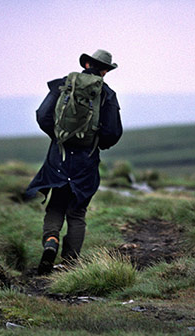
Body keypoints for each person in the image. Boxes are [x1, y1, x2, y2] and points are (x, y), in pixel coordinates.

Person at [25, 49, 123, 275]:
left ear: (86, 63)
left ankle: (50, 242)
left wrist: (58, 136)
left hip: (57, 156)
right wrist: (96, 143)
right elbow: (113, 132)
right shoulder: (107, 94)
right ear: (105, 70)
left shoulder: (63, 85)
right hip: (86, 161)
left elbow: (42, 115)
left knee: (56, 206)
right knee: (77, 213)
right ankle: (69, 265)